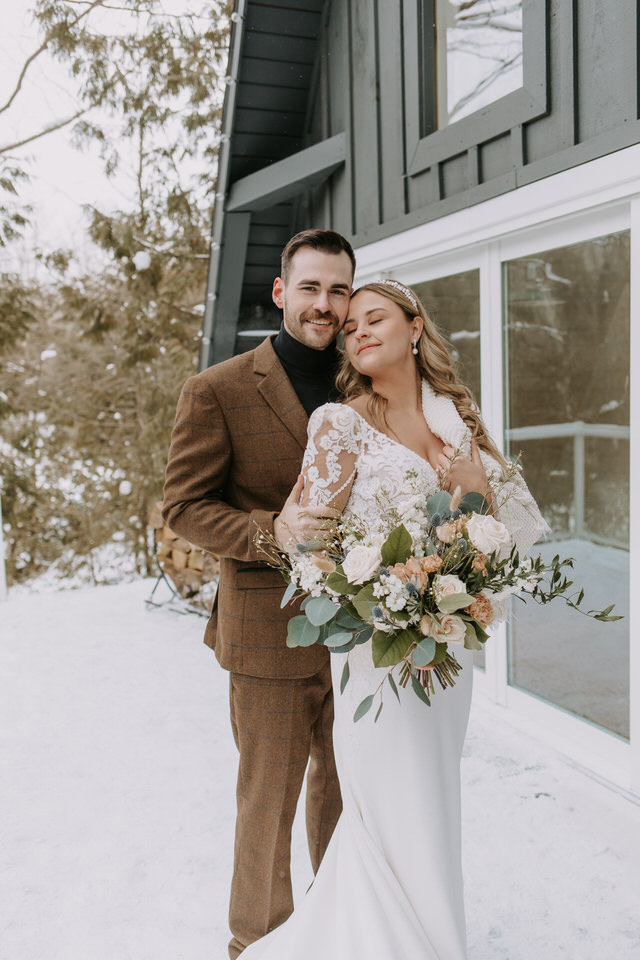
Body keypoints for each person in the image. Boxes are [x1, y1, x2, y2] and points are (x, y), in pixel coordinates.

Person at [239, 280, 549, 959]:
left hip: (447, 651)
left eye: (373, 319)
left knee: (432, 813)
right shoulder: (340, 423)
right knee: (389, 812)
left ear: (415, 328)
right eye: (349, 328)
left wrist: (469, 501)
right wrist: (379, 598)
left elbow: (500, 537)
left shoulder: (456, 424)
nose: (357, 333)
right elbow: (308, 549)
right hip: (376, 656)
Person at [161, 229, 356, 959]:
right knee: (268, 807)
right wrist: (273, 531)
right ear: (281, 292)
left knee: (347, 798)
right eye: (310, 287)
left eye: (339, 289)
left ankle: (336, 930)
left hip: (363, 633)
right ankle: (258, 945)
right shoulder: (217, 389)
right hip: (266, 637)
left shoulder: (361, 381)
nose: (325, 305)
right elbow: (183, 506)